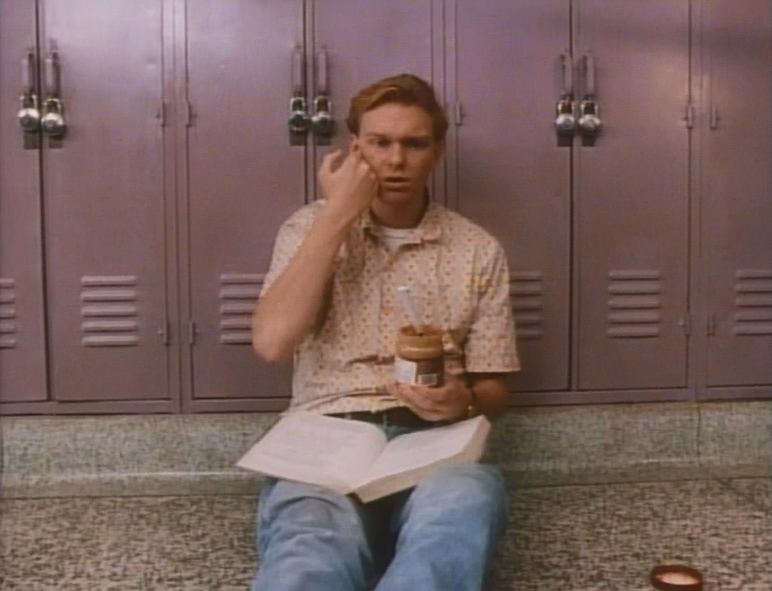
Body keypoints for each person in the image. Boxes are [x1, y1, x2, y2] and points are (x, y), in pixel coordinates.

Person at [250, 73, 520, 591]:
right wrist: (337, 215)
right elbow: (272, 342)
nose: (396, 160)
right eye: (380, 143)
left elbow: (496, 387)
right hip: (327, 434)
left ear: (437, 152)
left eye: (414, 144)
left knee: (457, 515)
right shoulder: (308, 228)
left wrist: (462, 400)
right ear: (356, 149)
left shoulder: (477, 249)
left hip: (433, 442)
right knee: (308, 549)